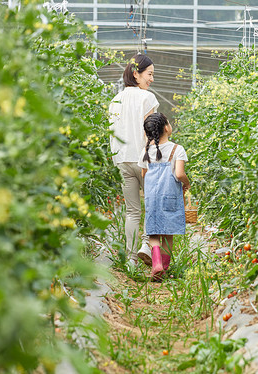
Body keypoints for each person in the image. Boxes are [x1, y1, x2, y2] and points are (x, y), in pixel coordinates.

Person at [108, 54, 159, 269]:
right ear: (136, 74)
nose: (152, 79)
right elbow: (151, 134)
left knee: (132, 211)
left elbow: (112, 132)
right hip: (143, 159)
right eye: (150, 74)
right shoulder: (146, 98)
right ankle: (146, 246)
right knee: (152, 206)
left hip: (122, 160)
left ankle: (130, 259)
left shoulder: (115, 100)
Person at [137, 113, 190, 280]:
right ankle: (164, 270)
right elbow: (180, 174)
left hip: (152, 197)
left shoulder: (146, 151)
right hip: (171, 197)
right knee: (168, 234)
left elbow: (144, 174)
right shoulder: (177, 149)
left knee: (153, 233)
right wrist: (187, 183)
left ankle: (156, 263)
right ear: (167, 127)